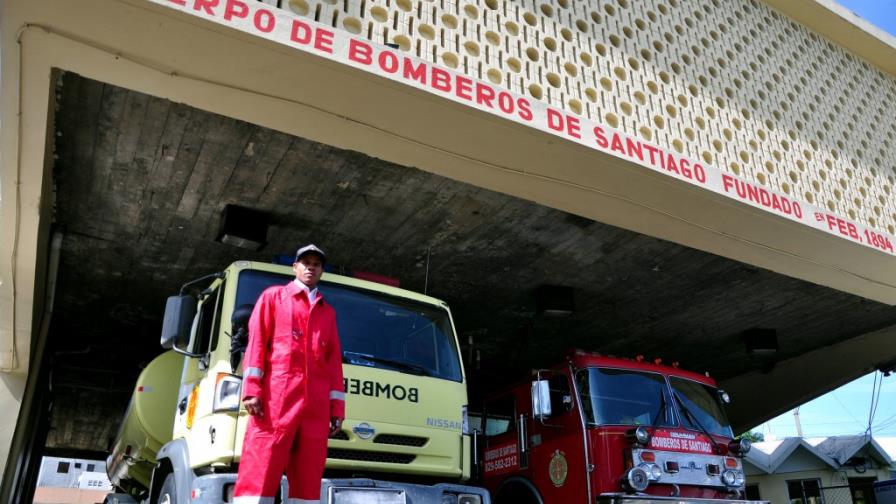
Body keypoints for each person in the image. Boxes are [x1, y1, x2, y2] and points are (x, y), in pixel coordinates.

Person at [233, 244, 345, 504]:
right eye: (305, 262)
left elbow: (333, 366)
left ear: (322, 271)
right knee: (261, 465)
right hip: (276, 401)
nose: (311, 267)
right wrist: (251, 389)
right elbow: (257, 344)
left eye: (316, 263)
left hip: (315, 408)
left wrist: (336, 408)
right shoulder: (274, 298)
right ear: (295, 267)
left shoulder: (327, 313)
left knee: (308, 475)